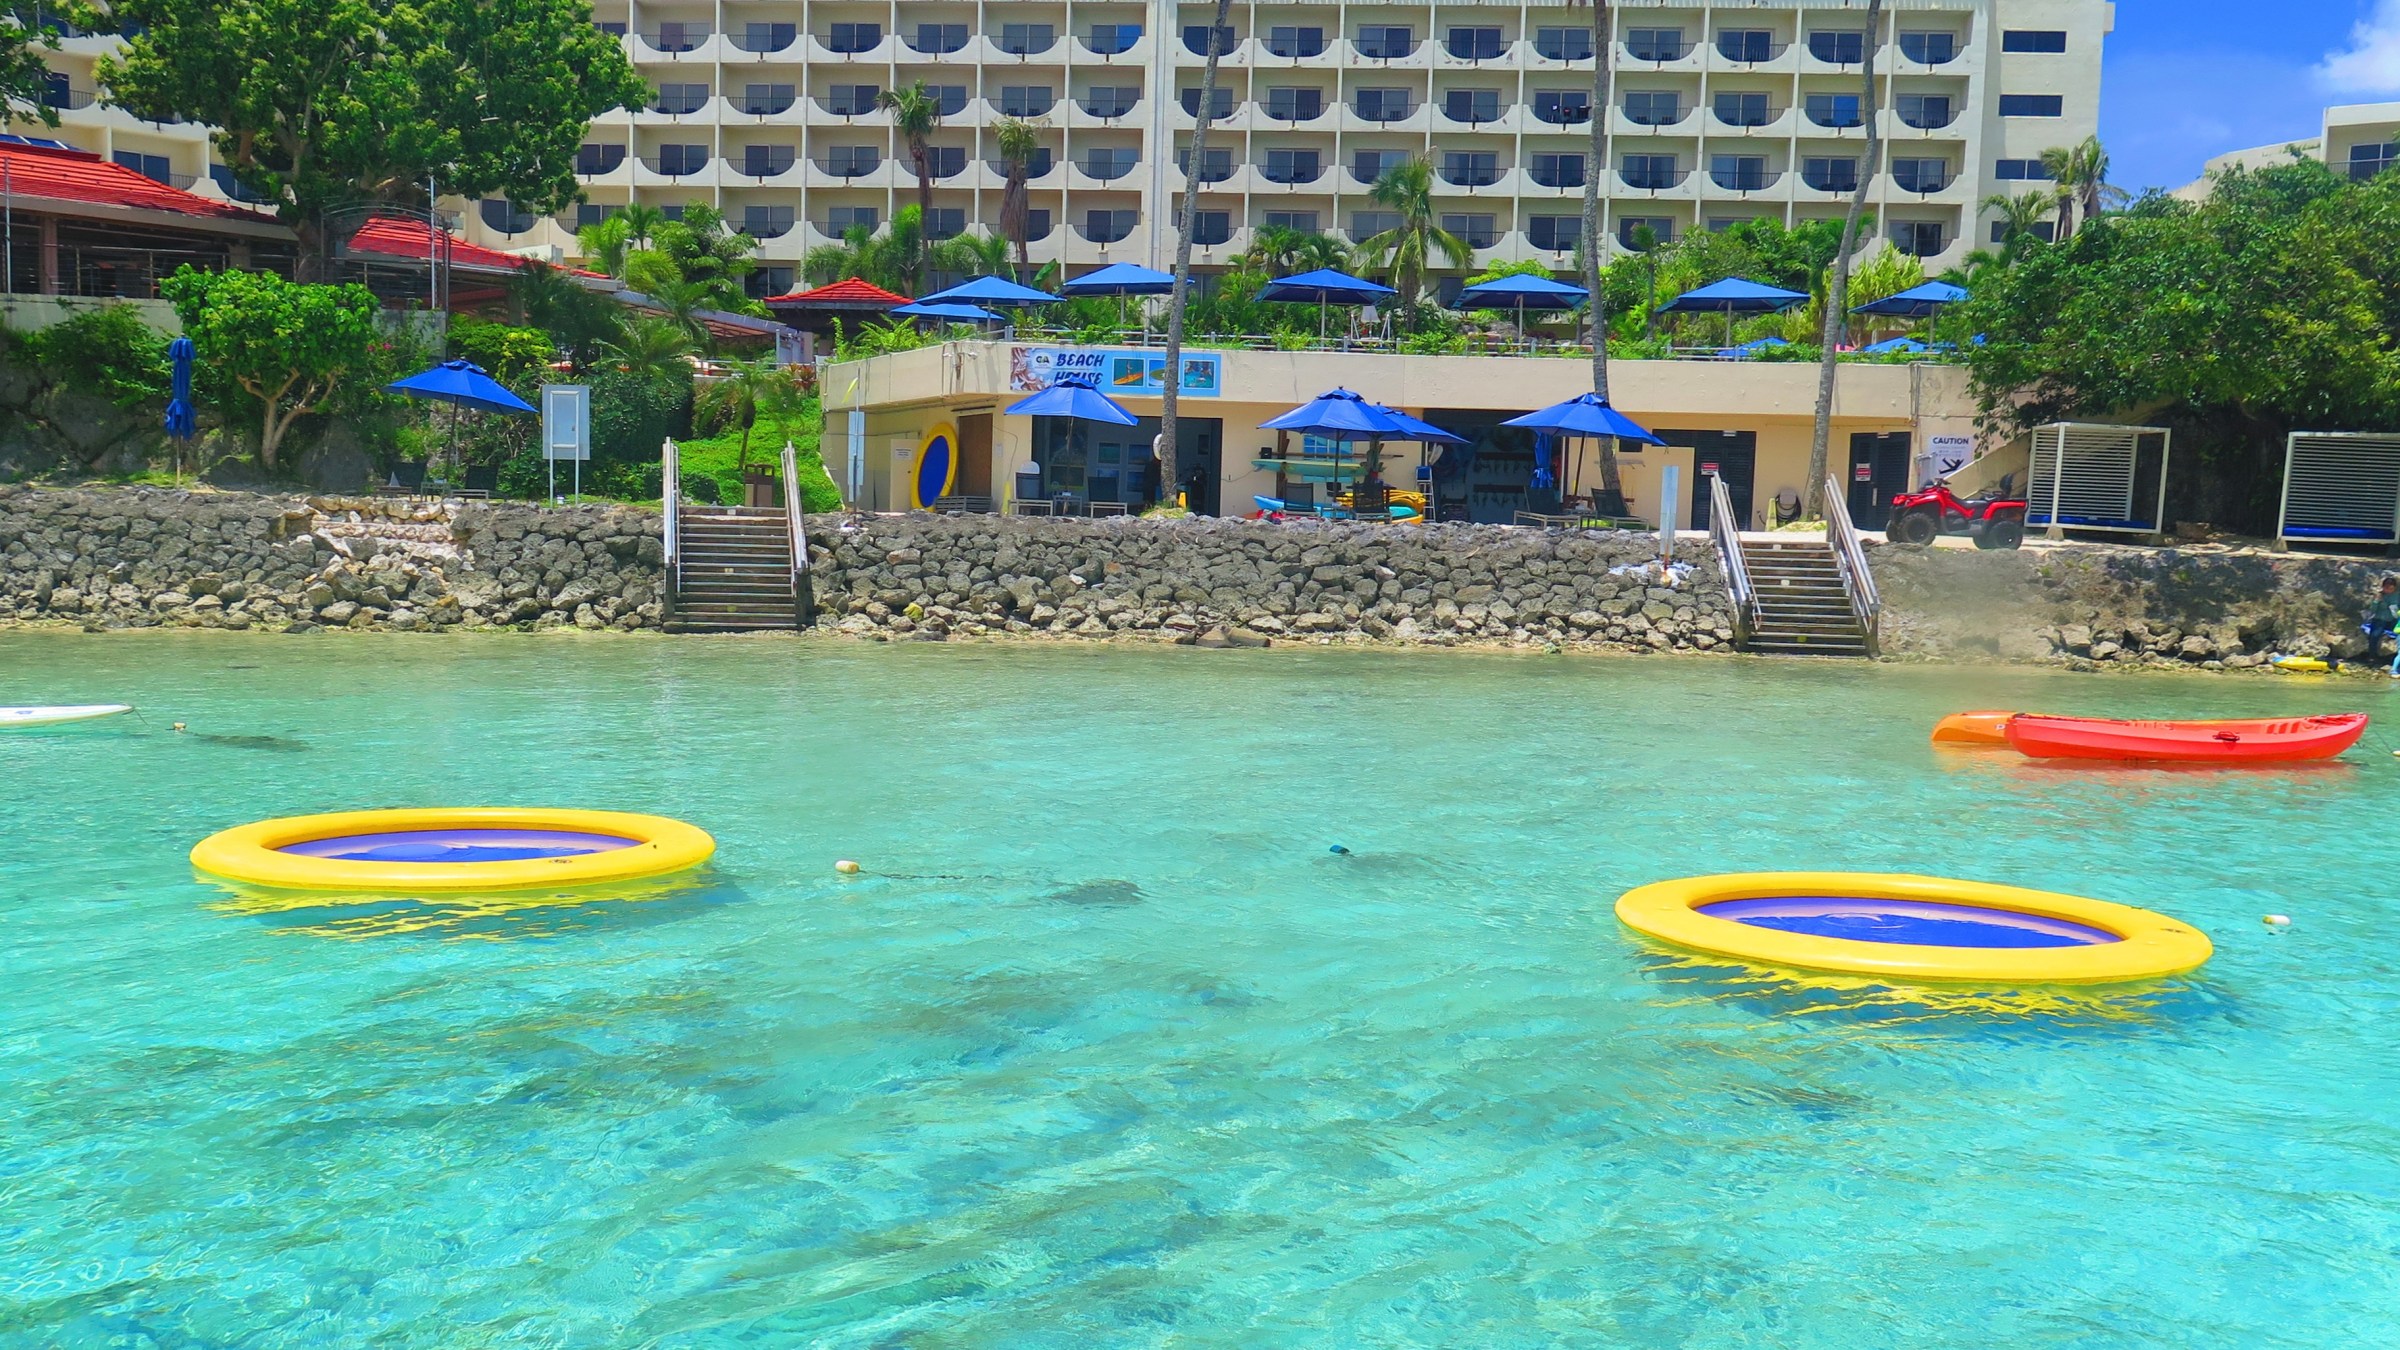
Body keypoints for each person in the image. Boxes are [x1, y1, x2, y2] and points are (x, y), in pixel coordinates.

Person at [2366, 576, 2400, 672]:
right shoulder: (2379, 596)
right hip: (2380, 619)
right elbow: (2373, 610)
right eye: (2387, 588)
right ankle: (2372, 656)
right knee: (2375, 635)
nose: (2389, 590)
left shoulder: (2397, 596)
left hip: (2393, 619)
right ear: (2383, 587)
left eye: (2391, 589)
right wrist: (2377, 601)